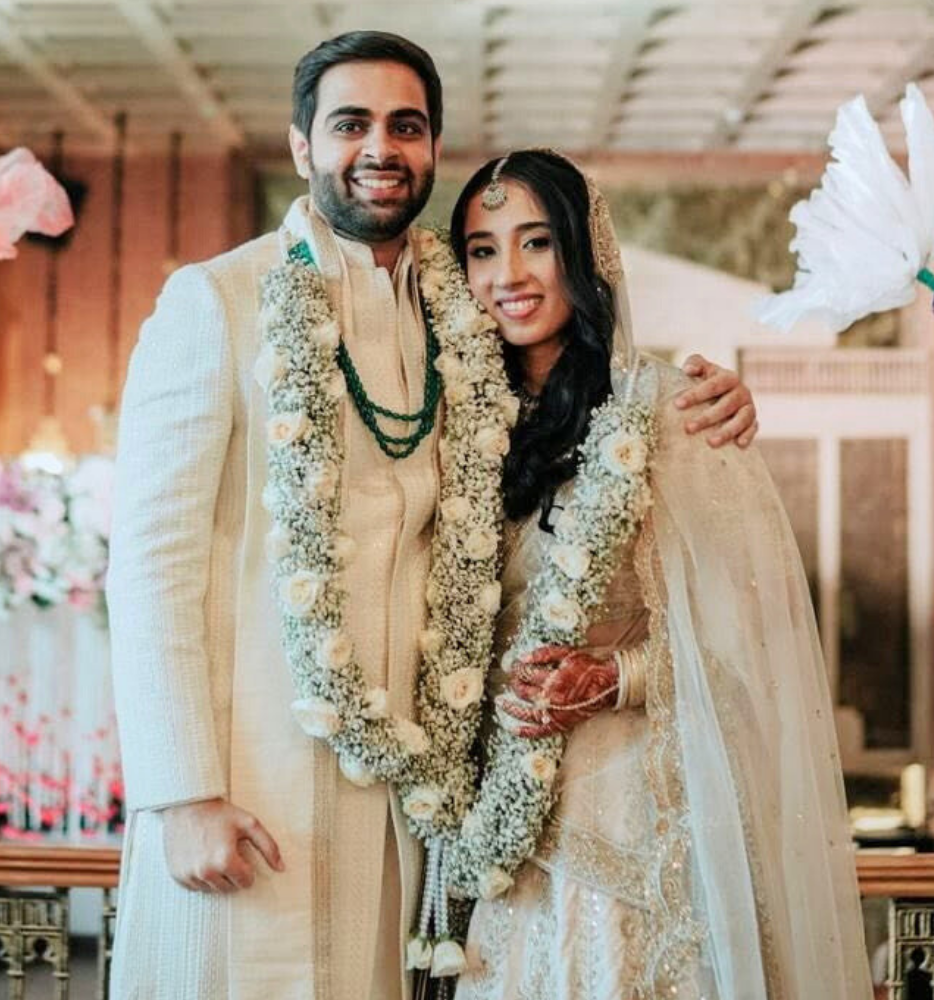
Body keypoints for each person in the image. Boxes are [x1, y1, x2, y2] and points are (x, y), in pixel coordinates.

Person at [105, 34, 758, 1000]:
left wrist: (720, 399)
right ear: (301, 148)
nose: (380, 147)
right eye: (350, 124)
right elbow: (148, 561)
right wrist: (181, 793)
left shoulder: (460, 314)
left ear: (432, 150)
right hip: (255, 780)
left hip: (413, 808)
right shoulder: (217, 303)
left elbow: (582, 393)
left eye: (405, 127)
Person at [440, 149, 871, 999]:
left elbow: (758, 641)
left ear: (584, 255)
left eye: (536, 243)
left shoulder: (671, 411)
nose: (509, 275)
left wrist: (617, 677)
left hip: (636, 819)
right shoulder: (455, 424)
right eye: (483, 250)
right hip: (495, 833)